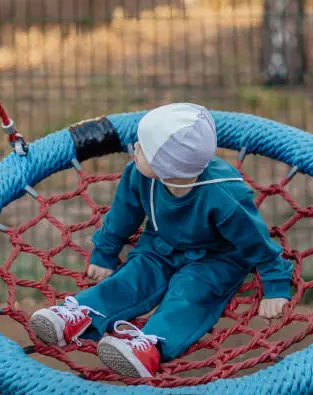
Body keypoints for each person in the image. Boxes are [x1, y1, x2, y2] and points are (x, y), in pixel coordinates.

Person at [29, 103, 294, 378]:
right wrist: (105, 252)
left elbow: (256, 242)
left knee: (189, 294)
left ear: (168, 166)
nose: (134, 148)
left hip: (218, 257)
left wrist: (275, 287)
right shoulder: (140, 175)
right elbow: (123, 214)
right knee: (133, 275)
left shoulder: (225, 195)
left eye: (143, 147)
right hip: (161, 243)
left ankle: (151, 346)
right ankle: (80, 314)